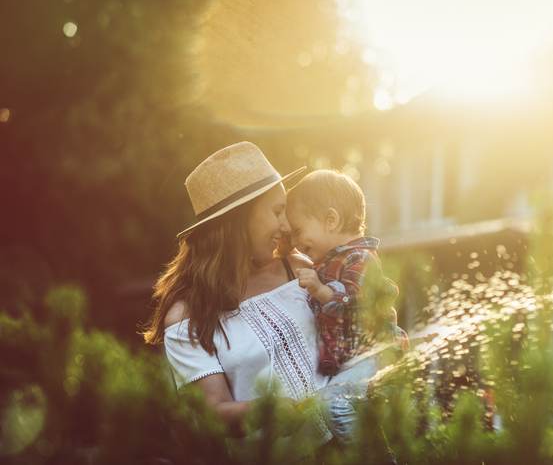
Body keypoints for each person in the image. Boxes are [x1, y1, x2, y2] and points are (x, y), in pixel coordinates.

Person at [143, 142, 331, 449]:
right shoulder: (187, 316)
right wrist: (266, 411)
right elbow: (212, 412)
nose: (286, 225)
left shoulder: (300, 270)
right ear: (239, 220)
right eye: (277, 211)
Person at [285, 169, 408, 444]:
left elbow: (354, 299)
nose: (295, 243)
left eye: (298, 231)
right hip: (354, 361)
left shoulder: (360, 258)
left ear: (331, 219)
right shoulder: (326, 263)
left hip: (376, 355)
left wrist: (321, 290)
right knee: (329, 408)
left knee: (335, 405)